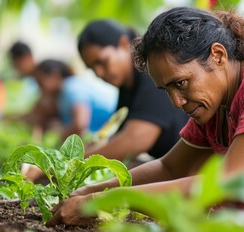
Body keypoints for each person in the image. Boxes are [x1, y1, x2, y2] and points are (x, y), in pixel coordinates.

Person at [44, 7, 244, 227]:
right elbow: (169, 166)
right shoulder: (217, 105)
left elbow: (232, 181)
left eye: (181, 83)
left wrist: (109, 200)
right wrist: (94, 190)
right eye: (166, 89)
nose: (177, 101)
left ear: (218, 56)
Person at [24, 19, 189, 182]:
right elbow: (114, 139)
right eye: (92, 69)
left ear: (123, 43)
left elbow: (135, 139)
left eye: (102, 62)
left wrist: (63, 167)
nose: (99, 73)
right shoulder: (127, 89)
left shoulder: (150, 74)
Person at [34, 59, 117, 140]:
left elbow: (80, 124)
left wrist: (61, 138)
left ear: (55, 75)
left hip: (112, 132)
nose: (39, 88)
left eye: (40, 82)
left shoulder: (71, 87)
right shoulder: (61, 96)